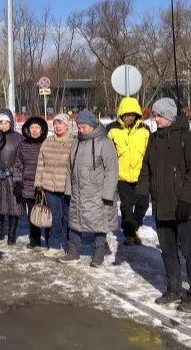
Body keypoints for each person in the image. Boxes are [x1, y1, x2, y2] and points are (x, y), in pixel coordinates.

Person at [136, 98, 191, 312]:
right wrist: (142, 193)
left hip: (184, 206)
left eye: (159, 116)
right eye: (154, 116)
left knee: (190, 252)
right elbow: (145, 169)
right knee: (167, 251)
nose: (155, 119)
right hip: (161, 206)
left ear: (169, 116)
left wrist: (186, 199)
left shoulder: (188, 138)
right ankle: (173, 288)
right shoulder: (153, 139)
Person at [62, 110, 118, 267]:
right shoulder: (76, 142)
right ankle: (73, 252)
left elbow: (112, 170)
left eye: (84, 127)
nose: (81, 130)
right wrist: (68, 189)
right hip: (78, 191)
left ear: (93, 125)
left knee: (100, 224)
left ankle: (98, 252)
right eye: (79, 127)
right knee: (75, 222)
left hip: (97, 193)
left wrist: (108, 194)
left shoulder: (105, 143)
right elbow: (69, 168)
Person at [106, 97, 151, 245]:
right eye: (126, 115)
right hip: (122, 176)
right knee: (126, 206)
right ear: (121, 114)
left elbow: (150, 152)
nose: (129, 118)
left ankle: (134, 226)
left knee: (143, 204)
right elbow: (106, 152)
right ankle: (129, 234)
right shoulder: (112, 129)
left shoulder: (145, 130)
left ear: (137, 115)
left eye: (132, 115)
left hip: (141, 175)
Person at [34, 113, 74, 258]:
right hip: (49, 185)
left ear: (67, 125)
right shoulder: (47, 142)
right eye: (55, 123)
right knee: (55, 216)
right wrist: (38, 183)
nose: (57, 126)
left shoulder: (73, 142)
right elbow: (40, 163)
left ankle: (71, 245)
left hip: (67, 186)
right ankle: (55, 245)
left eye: (60, 123)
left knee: (68, 216)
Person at [0, 109, 24, 244]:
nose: (4, 125)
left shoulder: (18, 138)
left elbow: (20, 158)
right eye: (1, 122)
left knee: (13, 206)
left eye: (6, 122)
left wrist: (9, 171)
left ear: (11, 122)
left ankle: (12, 234)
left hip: (13, 178)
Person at [13, 116, 48, 248]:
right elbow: (18, 164)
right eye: (32, 127)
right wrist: (17, 182)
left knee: (46, 213)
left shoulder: (46, 143)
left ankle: (50, 239)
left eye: (37, 128)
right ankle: (35, 239)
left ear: (42, 129)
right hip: (28, 185)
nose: (34, 130)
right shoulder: (22, 144)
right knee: (32, 214)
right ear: (27, 129)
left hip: (45, 185)